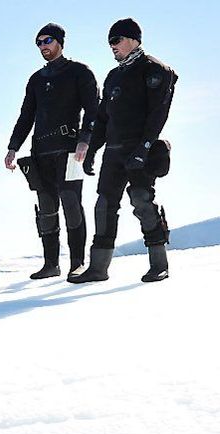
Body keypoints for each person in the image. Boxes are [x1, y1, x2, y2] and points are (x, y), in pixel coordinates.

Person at [71, 18, 178, 283]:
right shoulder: (114, 76)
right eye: (110, 43)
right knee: (104, 205)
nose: (112, 47)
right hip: (114, 151)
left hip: (139, 148)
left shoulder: (155, 69)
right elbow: (103, 117)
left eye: (116, 41)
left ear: (133, 39)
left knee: (142, 200)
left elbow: (158, 113)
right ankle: (98, 268)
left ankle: (158, 263)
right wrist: (93, 150)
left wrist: (143, 148)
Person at [5, 23, 99, 280]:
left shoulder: (79, 72)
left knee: (71, 202)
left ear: (59, 42)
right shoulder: (36, 79)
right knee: (46, 207)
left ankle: (77, 263)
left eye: (47, 41)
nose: (43, 46)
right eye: (38, 43)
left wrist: (85, 139)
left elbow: (93, 108)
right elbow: (26, 116)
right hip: (40, 152)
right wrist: (13, 147)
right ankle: (50, 264)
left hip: (70, 150)